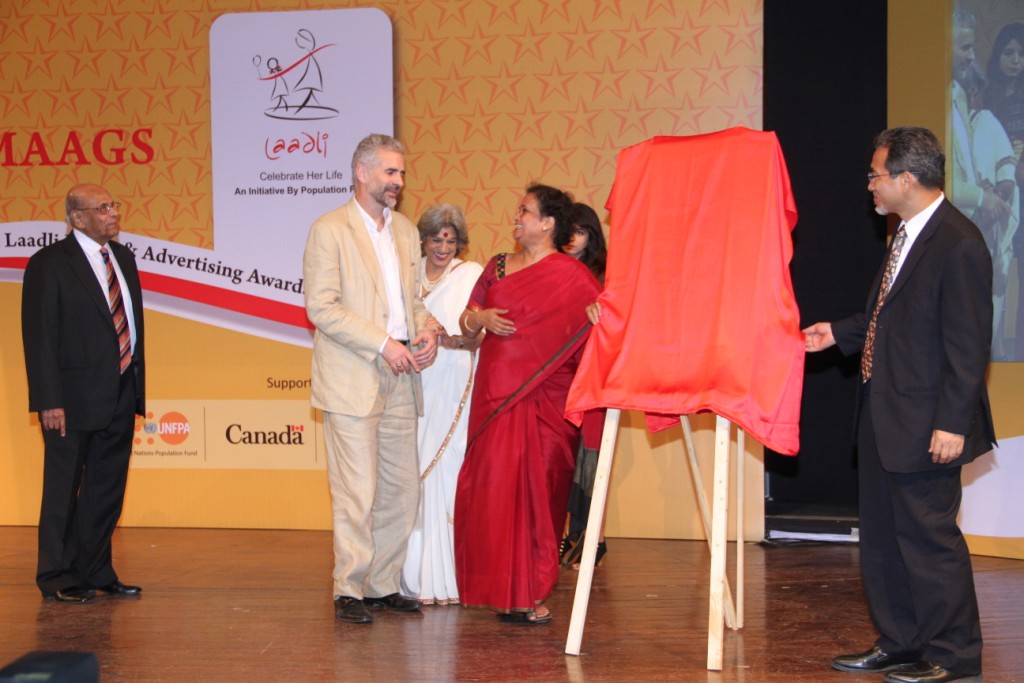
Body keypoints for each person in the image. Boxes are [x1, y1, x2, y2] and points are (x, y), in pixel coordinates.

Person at [804, 126, 995, 683]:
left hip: (929, 423)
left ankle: (953, 655)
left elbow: (968, 345)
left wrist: (952, 423)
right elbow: (890, 319)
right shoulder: (907, 235)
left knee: (930, 543)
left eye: (876, 175)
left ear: (906, 179)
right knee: (885, 540)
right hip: (884, 414)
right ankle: (901, 642)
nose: (870, 185)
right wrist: (837, 333)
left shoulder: (958, 242)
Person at [303, 133, 439, 624]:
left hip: (403, 375)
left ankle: (383, 584)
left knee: (401, 490)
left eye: (401, 173)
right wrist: (383, 343)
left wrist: (427, 329)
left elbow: (413, 301)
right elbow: (321, 307)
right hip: (354, 375)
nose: (398, 181)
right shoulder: (329, 229)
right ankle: (350, 588)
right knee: (356, 491)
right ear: (362, 173)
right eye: (390, 172)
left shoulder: (404, 230)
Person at [454, 184, 602, 624]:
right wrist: (478, 318)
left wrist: (600, 319)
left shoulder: (575, 277)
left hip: (548, 404)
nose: (516, 217)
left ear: (548, 223)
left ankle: (529, 591)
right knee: (494, 493)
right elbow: (466, 321)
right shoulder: (498, 265)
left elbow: (603, 331)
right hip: (496, 396)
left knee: (541, 496)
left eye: (525, 210)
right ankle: (501, 590)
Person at [21, 183, 146, 604]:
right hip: (70, 400)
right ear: (77, 217)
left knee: (106, 490)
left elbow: (128, 325)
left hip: (121, 391)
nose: (113, 213)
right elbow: (39, 336)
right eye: (103, 207)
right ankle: (56, 575)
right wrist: (48, 399)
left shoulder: (123, 258)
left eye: (114, 205)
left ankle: (96, 570)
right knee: (63, 490)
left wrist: (135, 388)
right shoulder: (49, 263)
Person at [399, 204, 483, 605]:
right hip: (410, 381)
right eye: (436, 239)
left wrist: (444, 338)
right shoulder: (408, 273)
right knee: (408, 472)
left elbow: (477, 335)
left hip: (451, 385)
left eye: (451, 240)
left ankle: (445, 579)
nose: (443, 248)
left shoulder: (470, 275)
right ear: (423, 240)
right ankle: (408, 577)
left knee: (444, 471)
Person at [560, 202, 609, 569]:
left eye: (579, 231)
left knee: (592, 462)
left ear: (592, 236)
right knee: (562, 462)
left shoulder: (606, 276)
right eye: (567, 230)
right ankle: (571, 534)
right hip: (559, 379)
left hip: (595, 381)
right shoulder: (553, 271)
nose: (571, 238)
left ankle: (595, 540)